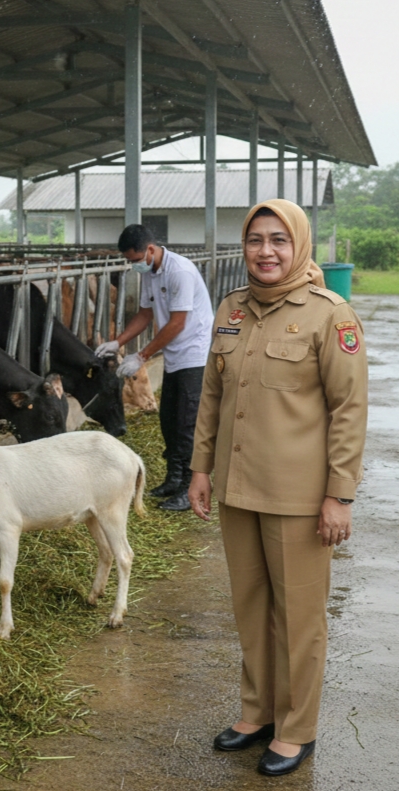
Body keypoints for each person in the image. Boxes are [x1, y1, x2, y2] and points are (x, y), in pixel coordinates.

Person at [188, 199, 367, 777]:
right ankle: (256, 711)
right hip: (238, 490)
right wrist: (199, 469)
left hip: (299, 496)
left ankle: (296, 729)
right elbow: (212, 398)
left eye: (279, 240)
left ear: (300, 246)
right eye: (256, 240)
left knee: (299, 618)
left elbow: (348, 411)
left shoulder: (329, 315)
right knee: (251, 608)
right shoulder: (232, 309)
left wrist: (338, 495)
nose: (266, 252)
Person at [96, 224, 213, 511]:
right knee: (169, 420)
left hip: (194, 353)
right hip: (175, 352)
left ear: (150, 249)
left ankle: (189, 488)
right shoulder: (151, 272)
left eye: (135, 259)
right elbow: (146, 314)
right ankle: (174, 478)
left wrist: (142, 356)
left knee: (186, 423)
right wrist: (117, 342)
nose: (133, 265)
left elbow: (177, 322)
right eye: (129, 261)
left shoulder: (179, 272)